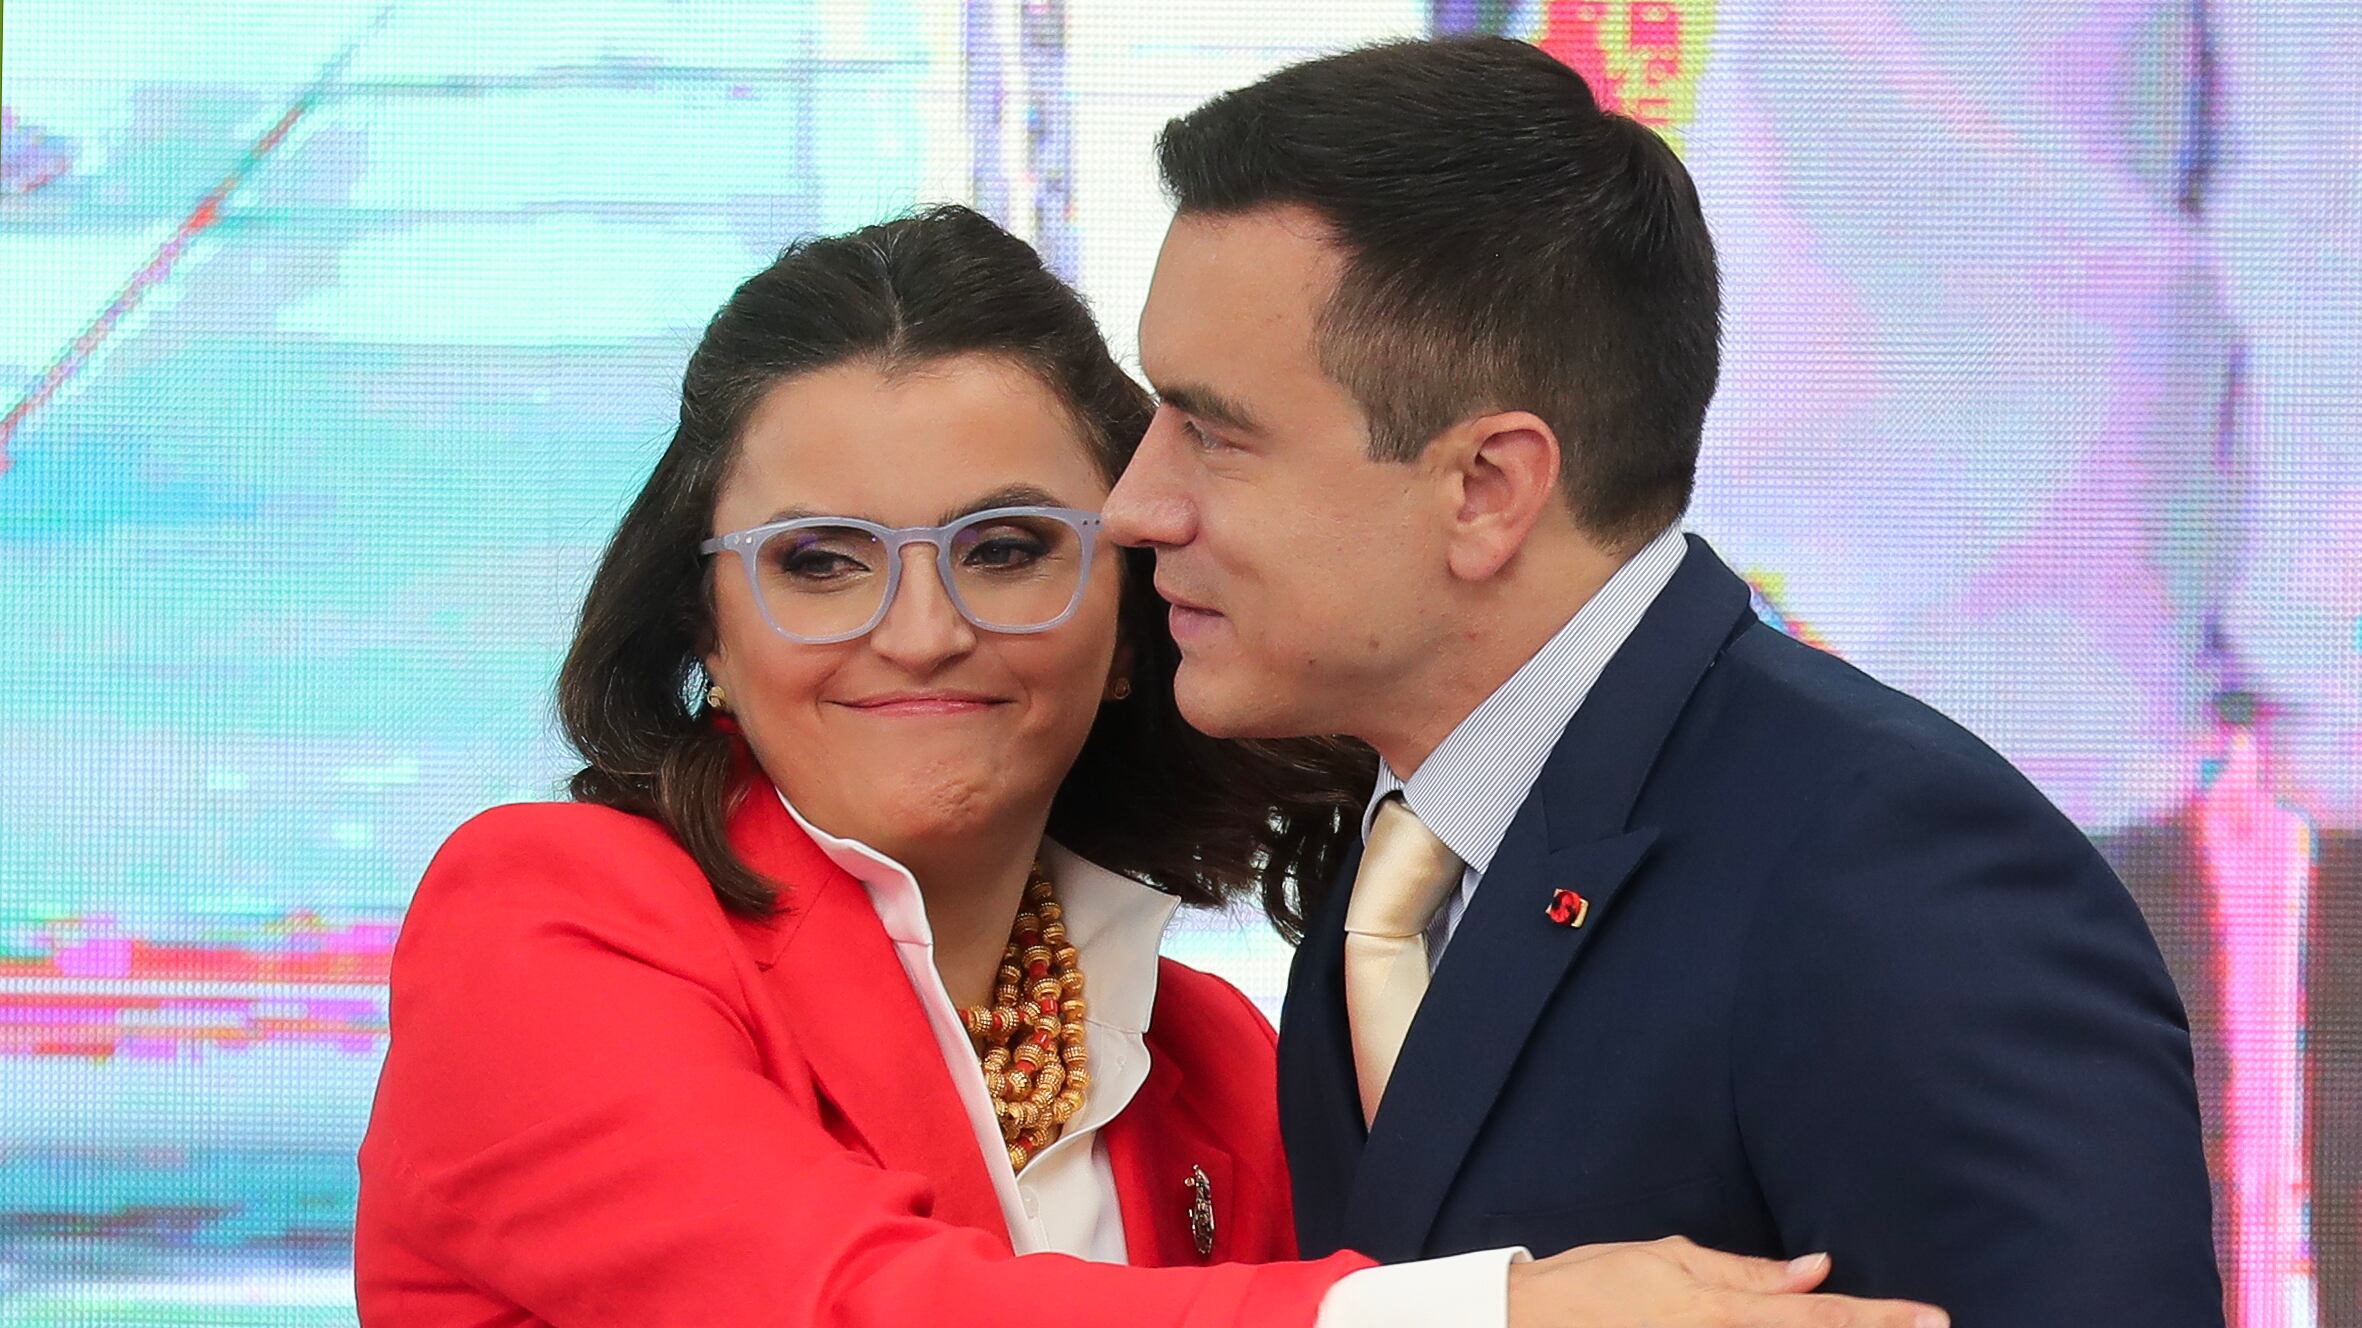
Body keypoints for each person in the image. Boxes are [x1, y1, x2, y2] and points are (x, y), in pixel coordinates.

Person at [353, 206, 1943, 1328]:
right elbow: (844, 1311)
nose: (920, 632)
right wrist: (1497, 1319)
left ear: (1134, 609)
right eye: (822, 561)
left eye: (1008, 546)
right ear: (705, 618)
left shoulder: (1215, 1062)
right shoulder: (551, 920)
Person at [1102, 36, 2224, 1324]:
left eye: (1213, 434)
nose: (1138, 505)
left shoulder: (1900, 873)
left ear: (1487, 490)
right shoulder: (1399, 871)